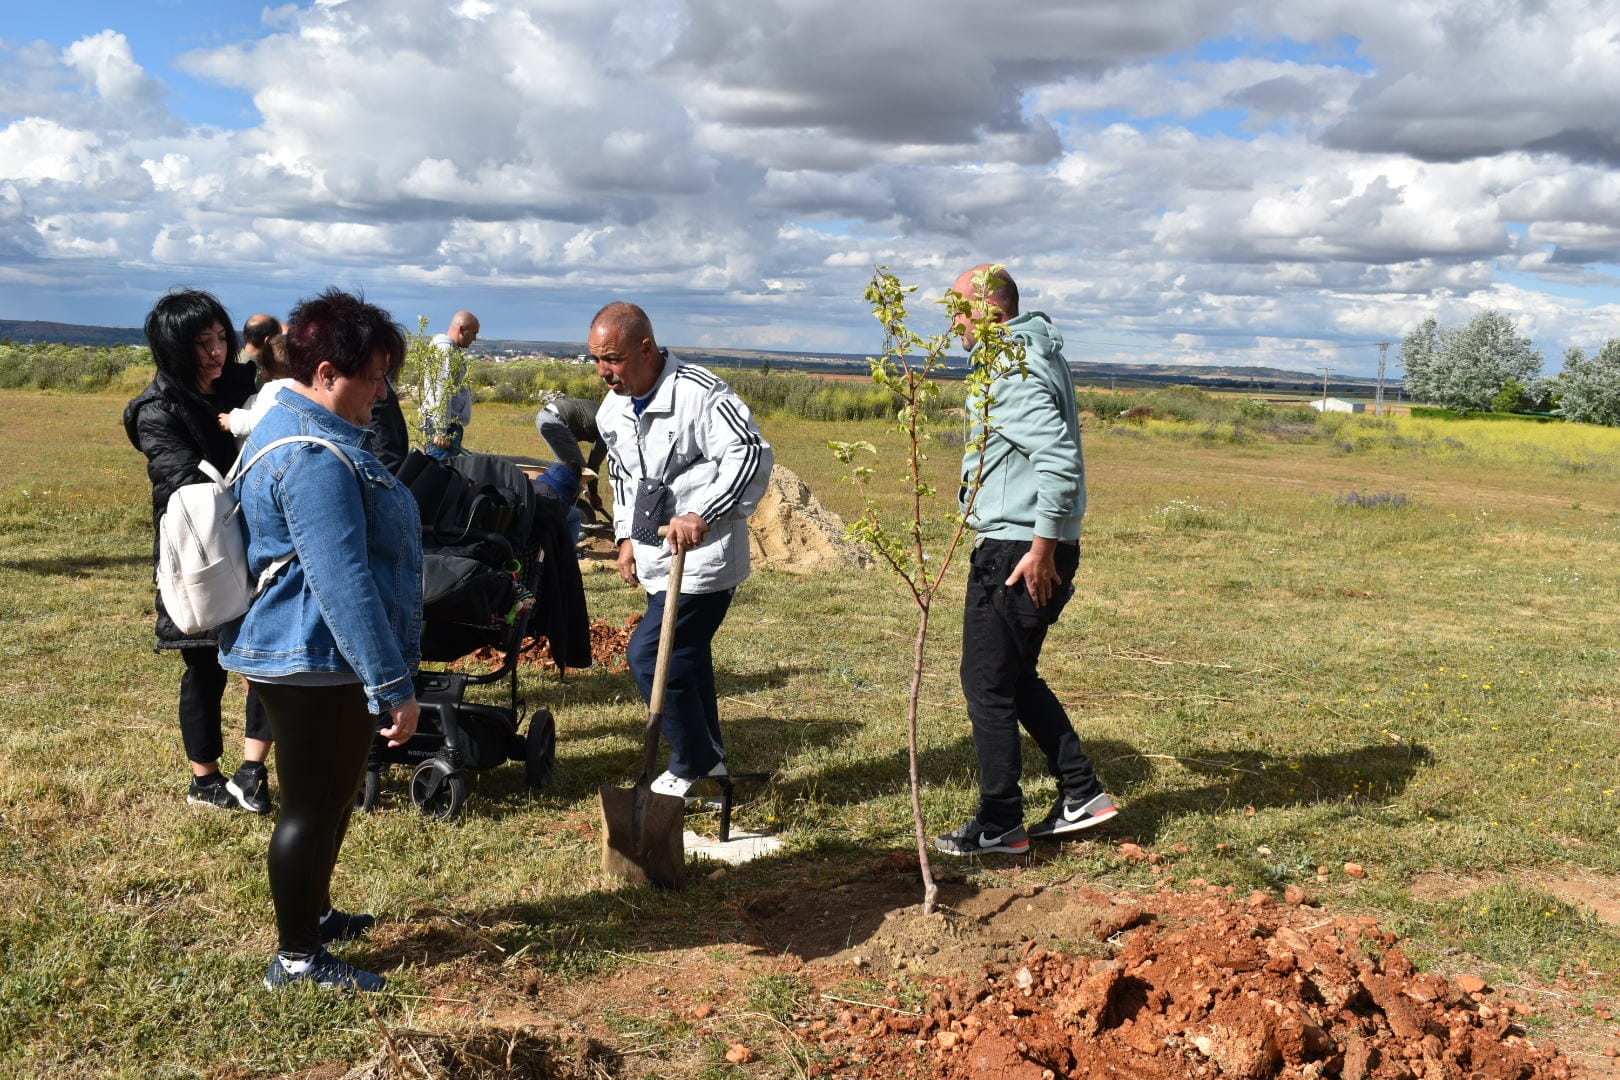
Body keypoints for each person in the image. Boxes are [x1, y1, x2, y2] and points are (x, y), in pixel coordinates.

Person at [217, 287, 422, 991]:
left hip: (312, 653)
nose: (383, 392)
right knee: (309, 805)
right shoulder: (310, 455)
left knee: (332, 798)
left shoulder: (302, 430)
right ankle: (299, 958)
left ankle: (316, 913)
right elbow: (343, 584)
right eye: (373, 378)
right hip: (312, 657)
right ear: (328, 373)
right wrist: (393, 684)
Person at [932, 264, 1117, 857]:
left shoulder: (1007, 366)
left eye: (958, 309)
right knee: (1013, 676)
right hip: (1032, 543)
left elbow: (1058, 458)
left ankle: (1000, 821)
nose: (953, 322)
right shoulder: (1039, 349)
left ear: (990, 309)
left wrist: (1041, 549)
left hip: (1017, 550)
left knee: (986, 684)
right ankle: (1081, 792)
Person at [592, 302, 772, 798]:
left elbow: (752, 452)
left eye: (614, 358)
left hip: (704, 561)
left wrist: (705, 513)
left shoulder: (699, 393)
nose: (605, 371)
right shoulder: (613, 409)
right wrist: (626, 536)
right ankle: (709, 761)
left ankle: (692, 761)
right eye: (597, 360)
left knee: (652, 657)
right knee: (686, 658)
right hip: (657, 563)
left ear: (646, 348)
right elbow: (623, 478)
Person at [123, 290, 275, 814]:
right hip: (198, 550)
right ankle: (204, 779)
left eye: (219, 338)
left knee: (270, 660)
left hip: (258, 540)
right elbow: (180, 478)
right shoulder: (156, 410)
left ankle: (253, 770)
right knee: (205, 665)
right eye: (201, 343)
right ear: (173, 348)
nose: (215, 352)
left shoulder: (245, 382)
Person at [535, 392, 608, 513]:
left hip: (545, 415)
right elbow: (593, 465)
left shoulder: (606, 411)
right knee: (579, 472)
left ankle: (554, 506)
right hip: (555, 420)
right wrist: (594, 494)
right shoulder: (610, 427)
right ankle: (564, 514)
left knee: (570, 470)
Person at [421, 310, 479, 459]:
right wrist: (441, 431)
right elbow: (441, 390)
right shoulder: (445, 351)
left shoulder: (450, 350)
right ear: (461, 329)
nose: (475, 338)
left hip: (446, 425)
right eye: (473, 332)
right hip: (443, 428)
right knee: (439, 473)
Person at [220, 333, 296, 438]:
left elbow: (257, 422)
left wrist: (230, 421)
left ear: (265, 371)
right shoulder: (304, 389)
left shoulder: (273, 390)